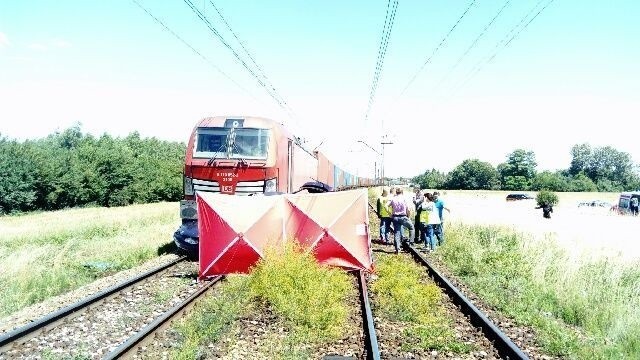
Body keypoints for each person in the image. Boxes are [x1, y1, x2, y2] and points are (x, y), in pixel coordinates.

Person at [389, 188, 415, 254]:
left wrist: (390, 214)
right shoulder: (404, 198)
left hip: (395, 217)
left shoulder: (393, 198)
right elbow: (408, 209)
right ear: (402, 192)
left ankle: (397, 250)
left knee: (396, 233)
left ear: (396, 192)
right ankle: (411, 243)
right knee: (411, 228)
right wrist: (408, 217)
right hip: (403, 217)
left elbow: (386, 206)